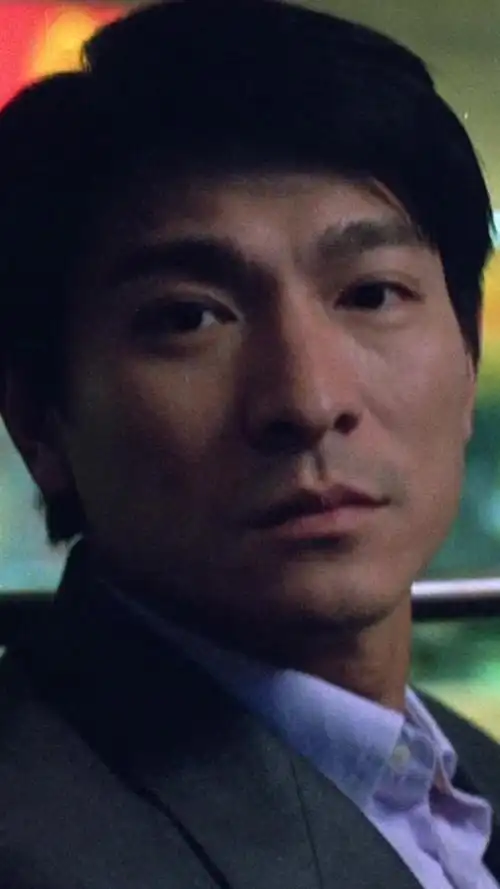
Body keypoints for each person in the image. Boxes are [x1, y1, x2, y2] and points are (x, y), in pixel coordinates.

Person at [0, 0, 498, 885]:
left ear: (467, 356)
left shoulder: (461, 771)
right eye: (189, 317)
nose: (309, 400)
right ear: (39, 421)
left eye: (371, 294)